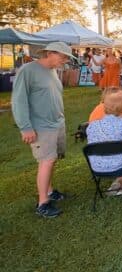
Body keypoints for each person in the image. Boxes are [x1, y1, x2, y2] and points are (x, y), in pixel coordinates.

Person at [11, 42, 79, 218]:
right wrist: (25, 127)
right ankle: (43, 203)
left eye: (66, 58)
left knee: (52, 159)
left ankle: (49, 191)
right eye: (63, 57)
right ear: (50, 53)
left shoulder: (52, 71)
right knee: (46, 161)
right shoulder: (28, 71)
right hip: (41, 126)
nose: (65, 61)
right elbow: (19, 100)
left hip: (56, 123)